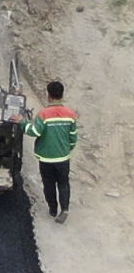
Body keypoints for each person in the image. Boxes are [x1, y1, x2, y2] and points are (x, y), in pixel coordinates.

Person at [25, 80, 79, 223]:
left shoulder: (44, 114)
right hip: (63, 158)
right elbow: (73, 137)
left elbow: (35, 131)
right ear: (62, 94)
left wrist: (21, 123)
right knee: (63, 183)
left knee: (48, 183)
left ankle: (53, 209)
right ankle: (65, 209)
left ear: (48, 95)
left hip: (46, 158)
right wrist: (67, 148)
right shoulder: (70, 114)